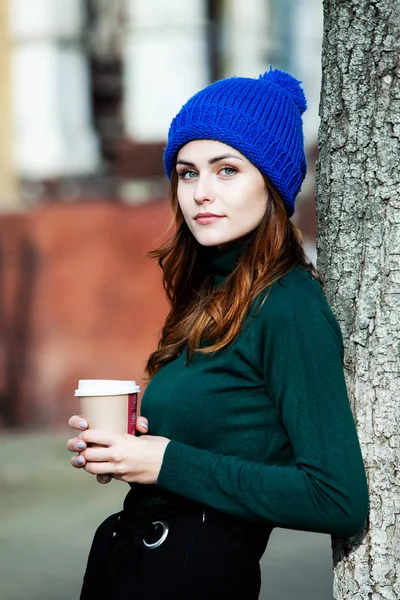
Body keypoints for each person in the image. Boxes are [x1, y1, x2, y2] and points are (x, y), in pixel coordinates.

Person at [67, 68, 369, 600]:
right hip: (132, 560)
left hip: (194, 573)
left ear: (271, 183)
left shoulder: (288, 304)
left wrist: (164, 461)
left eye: (226, 169)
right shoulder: (208, 293)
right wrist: (126, 450)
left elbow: (336, 498)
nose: (202, 193)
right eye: (187, 173)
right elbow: (219, 437)